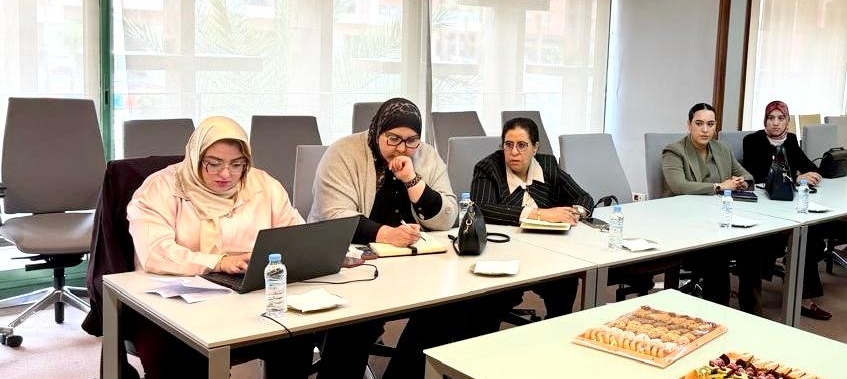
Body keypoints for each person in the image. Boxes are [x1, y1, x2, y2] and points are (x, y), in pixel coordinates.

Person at [127, 116, 312, 378]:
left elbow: (296, 236)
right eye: (213, 164)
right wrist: (219, 262)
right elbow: (155, 252)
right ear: (196, 157)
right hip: (173, 303)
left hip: (247, 297)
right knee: (178, 355)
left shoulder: (263, 185)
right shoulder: (160, 187)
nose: (226, 174)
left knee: (299, 334)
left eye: (237, 164)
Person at [310, 97, 458, 379]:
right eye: (393, 139)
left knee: (445, 310)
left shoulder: (426, 155)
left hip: (412, 264)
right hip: (352, 263)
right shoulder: (343, 152)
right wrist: (386, 234)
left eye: (411, 140)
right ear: (377, 131)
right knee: (355, 322)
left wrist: (412, 180)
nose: (402, 148)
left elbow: (447, 216)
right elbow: (334, 215)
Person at [470, 117, 592, 318]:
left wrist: (574, 213)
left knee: (565, 280)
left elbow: (584, 197)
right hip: (503, 253)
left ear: (535, 147)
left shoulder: (547, 165)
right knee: (492, 300)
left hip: (545, 251)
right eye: (508, 145)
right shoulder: (488, 167)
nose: (514, 152)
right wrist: (540, 214)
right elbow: (482, 208)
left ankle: (555, 328)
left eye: (522, 145)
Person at [661, 103, 764, 315]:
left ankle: (752, 313)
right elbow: (679, 185)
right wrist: (719, 186)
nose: (705, 130)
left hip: (719, 220)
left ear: (716, 126)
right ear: (689, 125)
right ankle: (718, 315)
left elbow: (747, 175)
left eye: (710, 124)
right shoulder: (674, 151)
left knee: (753, 247)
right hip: (686, 224)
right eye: (699, 124)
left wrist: (741, 182)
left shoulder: (721, 149)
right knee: (718, 253)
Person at [742, 100, 831, 320]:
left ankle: (802, 296)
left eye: (780, 118)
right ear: (764, 121)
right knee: (789, 236)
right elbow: (758, 174)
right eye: (770, 118)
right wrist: (796, 178)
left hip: (788, 205)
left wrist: (809, 175)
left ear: (787, 122)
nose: (775, 123)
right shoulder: (752, 141)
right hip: (762, 207)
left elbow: (810, 166)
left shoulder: (790, 140)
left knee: (812, 233)